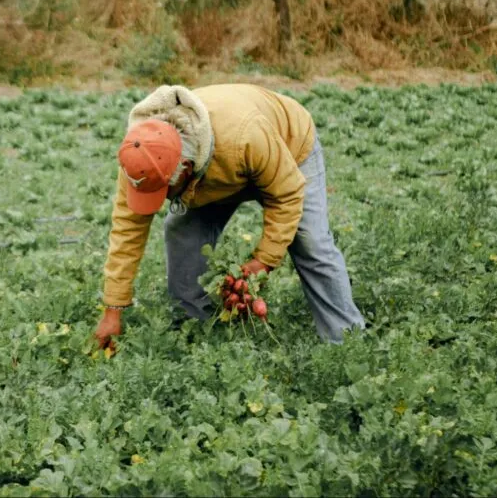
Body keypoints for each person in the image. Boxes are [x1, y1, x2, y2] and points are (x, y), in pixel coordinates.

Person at [94, 83, 364, 349]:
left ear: (186, 168)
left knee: (310, 242)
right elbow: (127, 230)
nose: (162, 199)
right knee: (181, 232)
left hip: (287, 147)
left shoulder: (245, 135)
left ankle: (346, 340)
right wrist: (112, 309)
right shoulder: (142, 159)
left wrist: (264, 261)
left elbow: (287, 195)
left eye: (165, 191)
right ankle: (194, 331)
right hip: (218, 168)